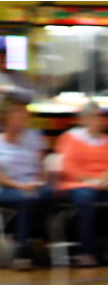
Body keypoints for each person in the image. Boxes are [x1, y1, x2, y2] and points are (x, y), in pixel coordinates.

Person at [56, 100, 108, 267]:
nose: (100, 120)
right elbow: (67, 166)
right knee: (86, 197)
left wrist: (104, 180)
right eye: (96, 117)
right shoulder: (70, 138)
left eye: (101, 117)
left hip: (106, 183)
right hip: (78, 183)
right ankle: (86, 252)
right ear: (85, 119)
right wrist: (90, 181)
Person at [0, 96, 51, 269]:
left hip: (32, 184)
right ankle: (26, 248)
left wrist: (39, 181)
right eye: (18, 114)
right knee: (26, 199)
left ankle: (34, 245)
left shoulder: (34, 137)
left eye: (24, 114)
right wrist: (21, 186)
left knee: (46, 194)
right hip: (7, 186)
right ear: (6, 118)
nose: (23, 118)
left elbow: (40, 166)